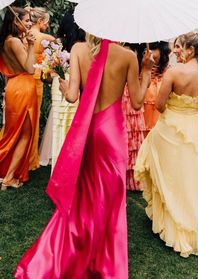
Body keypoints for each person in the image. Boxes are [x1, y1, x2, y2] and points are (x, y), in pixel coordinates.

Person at [14, 34, 154, 278]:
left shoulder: (79, 49)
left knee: (84, 194)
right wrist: (147, 71)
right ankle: (103, 259)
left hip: (88, 131)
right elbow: (137, 103)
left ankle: (78, 245)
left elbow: (72, 97)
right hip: (112, 133)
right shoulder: (128, 56)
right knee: (110, 198)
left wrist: (64, 86)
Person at [134, 32, 198, 257]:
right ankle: (193, 225)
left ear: (191, 49)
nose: (176, 51)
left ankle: (171, 223)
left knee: (171, 177)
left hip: (171, 128)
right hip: (193, 129)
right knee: (190, 177)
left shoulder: (175, 72)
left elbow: (160, 105)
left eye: (180, 47)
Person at [39, 12, 86, 171]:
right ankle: (71, 168)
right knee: (74, 128)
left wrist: (55, 76)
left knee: (60, 126)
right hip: (75, 89)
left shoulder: (57, 45)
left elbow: (43, 76)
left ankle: (59, 168)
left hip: (60, 87)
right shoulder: (85, 47)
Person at [0, 7, 37, 189]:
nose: (30, 23)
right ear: (16, 21)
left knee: (13, 133)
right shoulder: (14, 41)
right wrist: (30, 46)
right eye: (27, 19)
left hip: (14, 87)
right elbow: (29, 68)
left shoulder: (9, 40)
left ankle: (8, 174)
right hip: (23, 87)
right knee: (23, 135)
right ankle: (8, 178)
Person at [26, 7, 55, 170]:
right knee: (33, 119)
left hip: (21, 79)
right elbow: (57, 58)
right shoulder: (47, 38)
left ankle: (25, 157)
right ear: (40, 21)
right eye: (46, 22)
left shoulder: (24, 35)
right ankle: (30, 159)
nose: (47, 25)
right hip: (36, 81)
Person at [122, 43, 146, 190]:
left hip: (132, 91)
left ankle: (129, 176)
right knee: (127, 131)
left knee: (131, 131)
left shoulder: (135, 52)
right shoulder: (129, 53)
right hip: (127, 92)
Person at [143, 41, 171, 137]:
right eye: (147, 48)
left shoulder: (169, 74)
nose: (149, 51)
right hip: (141, 125)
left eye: (153, 48)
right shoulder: (138, 72)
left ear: (162, 51)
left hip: (161, 127)